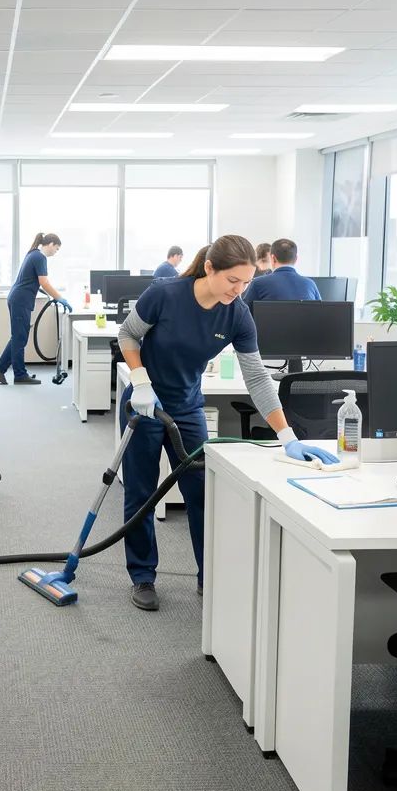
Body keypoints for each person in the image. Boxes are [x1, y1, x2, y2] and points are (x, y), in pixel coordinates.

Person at [117, 234, 337, 612]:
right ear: (209, 268)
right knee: (142, 493)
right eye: (233, 280)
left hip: (187, 408)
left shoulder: (237, 315)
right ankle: (143, 575)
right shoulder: (164, 294)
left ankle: (209, 576)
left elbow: (257, 379)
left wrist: (287, 436)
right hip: (146, 403)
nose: (239, 290)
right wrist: (140, 381)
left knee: (203, 495)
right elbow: (128, 334)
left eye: (247, 283)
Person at [0, 232, 71, 386]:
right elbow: (44, 282)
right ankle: (20, 375)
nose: (56, 252)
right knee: (19, 337)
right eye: (57, 249)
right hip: (20, 300)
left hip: (18, 299)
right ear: (51, 244)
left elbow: (32, 280)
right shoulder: (40, 257)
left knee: (18, 337)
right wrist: (60, 298)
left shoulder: (33, 254)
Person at [243, 238, 320, 303]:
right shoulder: (310, 284)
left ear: (273, 258)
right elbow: (320, 311)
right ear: (296, 259)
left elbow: (244, 312)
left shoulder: (257, 283)